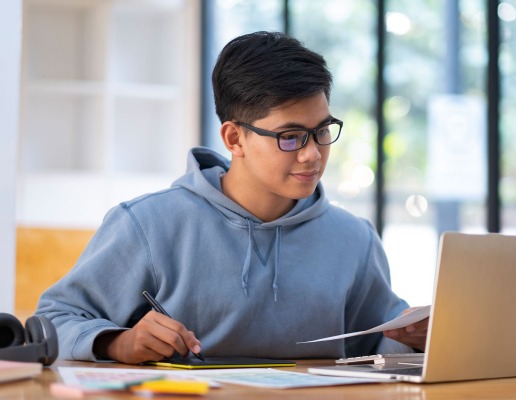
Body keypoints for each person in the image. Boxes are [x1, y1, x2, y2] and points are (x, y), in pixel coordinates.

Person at [35, 31, 428, 364]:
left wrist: (418, 339)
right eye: (290, 136)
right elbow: (54, 319)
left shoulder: (354, 239)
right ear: (234, 138)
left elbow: (376, 350)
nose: (312, 153)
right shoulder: (147, 225)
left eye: (323, 130)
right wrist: (116, 342)